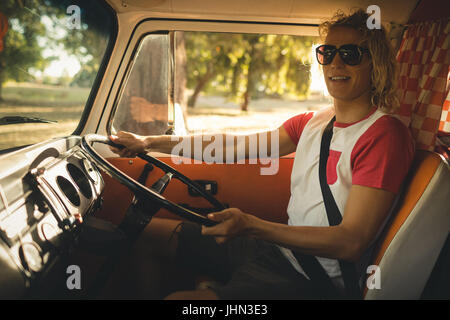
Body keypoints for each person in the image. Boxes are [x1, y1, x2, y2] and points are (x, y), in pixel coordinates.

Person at [108, 9, 414, 299]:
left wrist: (254, 226)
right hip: (280, 250)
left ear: (375, 63)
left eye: (350, 54)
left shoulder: (383, 135)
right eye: (328, 52)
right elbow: (233, 147)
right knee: (148, 235)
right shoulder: (313, 122)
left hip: (314, 278)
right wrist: (150, 142)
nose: (336, 64)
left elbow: (351, 242)